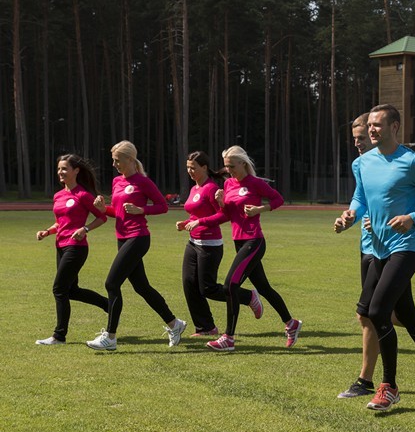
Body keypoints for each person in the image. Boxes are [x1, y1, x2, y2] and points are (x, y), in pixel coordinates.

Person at [338, 104, 415, 411]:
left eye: (378, 125)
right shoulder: (362, 163)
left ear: (395, 127)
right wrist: (350, 215)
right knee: (404, 315)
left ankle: (388, 387)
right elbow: (360, 198)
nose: (372, 129)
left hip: (406, 247)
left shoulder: (412, 162)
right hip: (376, 248)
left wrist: (413, 218)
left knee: (377, 312)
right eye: (370, 125)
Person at [86, 140, 187, 350]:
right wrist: (103, 209)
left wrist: (142, 210)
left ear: (130, 159)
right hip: (122, 238)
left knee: (111, 284)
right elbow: (118, 211)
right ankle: (174, 324)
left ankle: (110, 338)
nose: (114, 165)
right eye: (113, 161)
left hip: (138, 237)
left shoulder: (143, 182)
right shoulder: (116, 182)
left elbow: (162, 206)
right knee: (141, 286)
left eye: (117, 160)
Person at [203, 145, 301, 352]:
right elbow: (227, 214)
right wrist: (219, 205)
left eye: (232, 166)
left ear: (243, 164)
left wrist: (260, 208)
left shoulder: (255, 183)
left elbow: (278, 199)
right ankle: (291, 323)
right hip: (239, 242)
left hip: (254, 241)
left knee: (230, 285)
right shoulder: (228, 184)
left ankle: (228, 338)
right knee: (264, 288)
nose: (229, 170)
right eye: (226, 166)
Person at [176, 151, 263, 337]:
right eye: (188, 168)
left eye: (194, 168)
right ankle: (205, 327)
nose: (190, 171)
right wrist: (186, 223)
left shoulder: (211, 188)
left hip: (210, 244)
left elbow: (223, 215)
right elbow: (195, 214)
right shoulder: (194, 189)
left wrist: (199, 222)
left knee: (207, 288)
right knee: (188, 283)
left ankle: (248, 296)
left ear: (204, 168)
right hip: (193, 242)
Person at [35, 154, 109, 345]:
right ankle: (108, 305)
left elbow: (102, 217)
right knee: (71, 291)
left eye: (64, 169)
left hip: (76, 247)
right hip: (60, 246)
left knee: (59, 289)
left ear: (76, 171)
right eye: (59, 168)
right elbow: (60, 223)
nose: (60, 172)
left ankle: (59, 336)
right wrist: (47, 231)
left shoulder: (83, 195)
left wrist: (85, 229)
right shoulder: (58, 195)